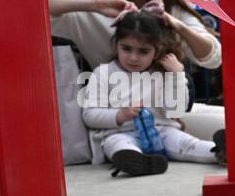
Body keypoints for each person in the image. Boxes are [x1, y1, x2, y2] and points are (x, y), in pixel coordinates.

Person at [48, 0, 235, 171]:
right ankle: (134, 160)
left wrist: (175, 24)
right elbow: (40, 4)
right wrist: (98, 5)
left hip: (167, 115)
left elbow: (213, 58)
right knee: (120, 143)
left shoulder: (169, 8)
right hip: (117, 121)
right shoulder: (98, 9)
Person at [80, 11, 225, 176]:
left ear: (157, 51)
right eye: (126, 48)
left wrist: (177, 76)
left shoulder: (164, 72)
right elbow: (89, 115)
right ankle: (135, 161)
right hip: (120, 133)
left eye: (143, 51)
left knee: (188, 143)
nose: (133, 58)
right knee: (117, 144)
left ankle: (220, 152)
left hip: (162, 131)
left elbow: (175, 111)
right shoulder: (103, 73)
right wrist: (120, 115)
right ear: (116, 45)